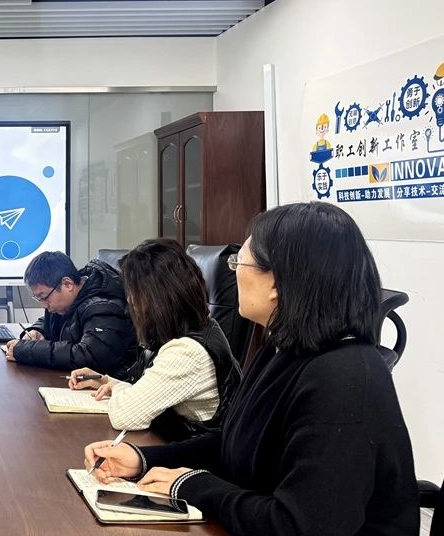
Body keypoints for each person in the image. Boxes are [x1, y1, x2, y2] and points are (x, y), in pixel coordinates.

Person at [83, 202, 418, 535]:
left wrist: (191, 485)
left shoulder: (343, 379)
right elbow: (234, 444)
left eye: (239, 262)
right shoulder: (282, 348)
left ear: (277, 283)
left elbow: (297, 526)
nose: (234, 273)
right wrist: (144, 459)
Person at [68, 239, 240, 441]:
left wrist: (120, 389)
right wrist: (106, 381)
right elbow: (154, 388)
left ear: (154, 296)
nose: (130, 300)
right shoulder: (199, 327)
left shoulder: (187, 352)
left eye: (133, 292)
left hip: (189, 454)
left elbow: (125, 415)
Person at [4, 251, 137, 379]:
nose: (43, 305)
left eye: (44, 297)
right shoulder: (71, 297)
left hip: (114, 384)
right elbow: (60, 322)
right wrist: (38, 330)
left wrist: (28, 351)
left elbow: (89, 355)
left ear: (67, 284)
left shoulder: (104, 306)